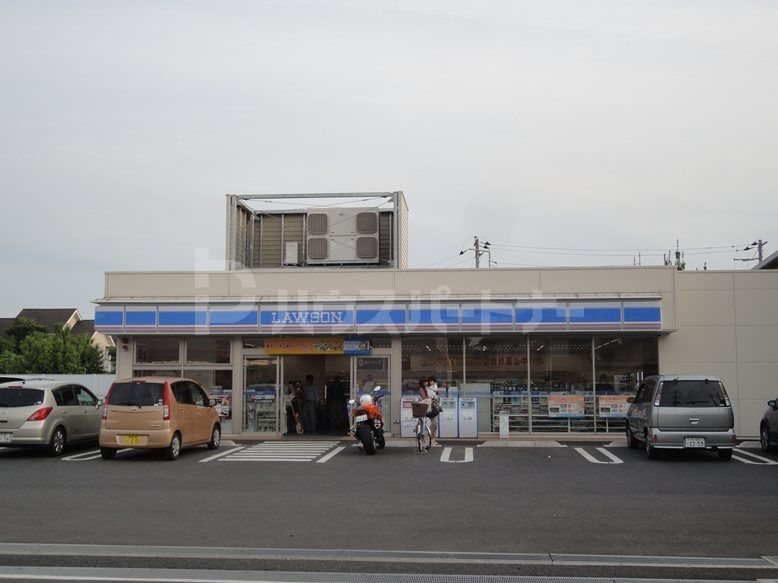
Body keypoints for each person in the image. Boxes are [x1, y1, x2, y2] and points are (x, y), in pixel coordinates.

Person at [420, 376, 441, 446]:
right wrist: (433, 398)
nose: (426, 383)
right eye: (425, 382)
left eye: (427, 381)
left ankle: (432, 439)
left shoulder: (431, 388)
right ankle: (429, 438)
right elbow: (424, 398)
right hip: (426, 408)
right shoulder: (422, 389)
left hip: (432, 407)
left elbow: (436, 395)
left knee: (434, 424)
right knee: (431, 424)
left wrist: (435, 398)